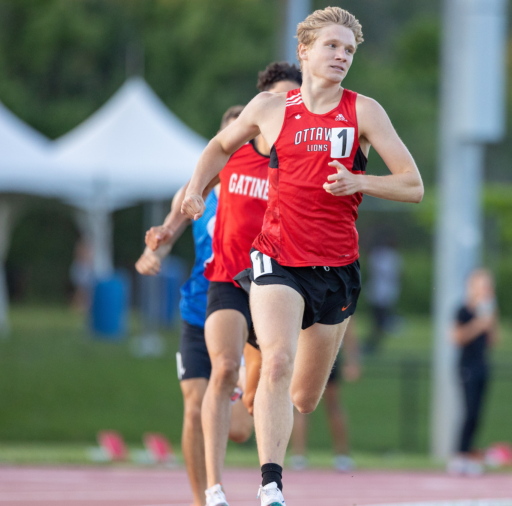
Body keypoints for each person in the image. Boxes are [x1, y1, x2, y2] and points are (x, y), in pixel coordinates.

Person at [180, 7, 423, 505]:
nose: (341, 56)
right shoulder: (271, 109)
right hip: (276, 258)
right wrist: (195, 188)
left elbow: (412, 185)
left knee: (305, 397)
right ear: (305, 51)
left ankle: (259, 387)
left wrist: (359, 181)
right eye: (332, 46)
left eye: (349, 50)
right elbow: (219, 146)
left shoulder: (364, 111)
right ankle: (271, 485)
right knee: (278, 361)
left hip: (336, 270)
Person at [149, 63, 302, 506]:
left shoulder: (299, 159)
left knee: (250, 414)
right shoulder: (233, 154)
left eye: (294, 99)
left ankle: (249, 399)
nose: (286, 105)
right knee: (218, 375)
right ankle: (212, 492)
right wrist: (165, 233)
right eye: (279, 96)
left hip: (274, 284)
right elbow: (190, 188)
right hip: (223, 284)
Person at [134, 106, 254, 506]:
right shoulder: (195, 191)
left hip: (244, 312)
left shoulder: (261, 187)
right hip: (198, 309)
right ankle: (202, 501)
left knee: (240, 430)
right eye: (230, 141)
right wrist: (152, 254)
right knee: (192, 408)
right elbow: (165, 236)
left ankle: (238, 390)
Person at [289, 317, 361, 472]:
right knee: (302, 406)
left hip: (326, 353)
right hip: (309, 352)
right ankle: (299, 455)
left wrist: (352, 360)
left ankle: (341, 455)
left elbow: (349, 327)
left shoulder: (342, 302)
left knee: (332, 405)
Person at [449, 268, 499, 476]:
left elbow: (494, 341)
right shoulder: (463, 310)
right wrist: (478, 324)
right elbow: (456, 338)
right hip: (467, 366)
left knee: (477, 414)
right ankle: (459, 455)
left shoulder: (487, 311)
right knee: (469, 412)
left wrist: (490, 319)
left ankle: (469, 454)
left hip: (482, 365)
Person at [363, 238, 402, 354]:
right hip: (382, 293)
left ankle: (372, 344)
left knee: (379, 321)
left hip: (381, 293)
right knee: (379, 321)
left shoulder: (381, 256)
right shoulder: (391, 256)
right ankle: (372, 344)